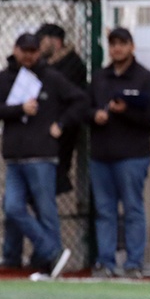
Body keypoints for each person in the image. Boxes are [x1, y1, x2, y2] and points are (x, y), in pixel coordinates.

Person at [0, 32, 86, 278]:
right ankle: (50, 251)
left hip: (42, 156)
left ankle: (50, 262)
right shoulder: (4, 77)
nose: (29, 56)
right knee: (12, 208)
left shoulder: (51, 77)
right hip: (14, 157)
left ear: (39, 52)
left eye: (33, 51)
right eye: (25, 51)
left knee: (46, 210)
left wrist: (61, 124)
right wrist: (20, 108)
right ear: (16, 50)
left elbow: (79, 100)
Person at [87, 27, 150, 278]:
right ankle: (105, 262)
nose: (117, 48)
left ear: (132, 46)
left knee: (132, 209)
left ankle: (133, 263)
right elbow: (84, 108)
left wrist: (126, 111)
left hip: (133, 156)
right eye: (113, 44)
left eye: (122, 43)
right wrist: (95, 115)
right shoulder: (99, 78)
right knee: (104, 212)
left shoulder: (146, 79)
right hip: (101, 155)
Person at [38, 22, 89, 194]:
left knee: (51, 179)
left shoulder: (72, 64)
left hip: (61, 129)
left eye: (43, 40)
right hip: (43, 131)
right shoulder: (43, 64)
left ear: (56, 41)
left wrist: (62, 122)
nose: (39, 44)